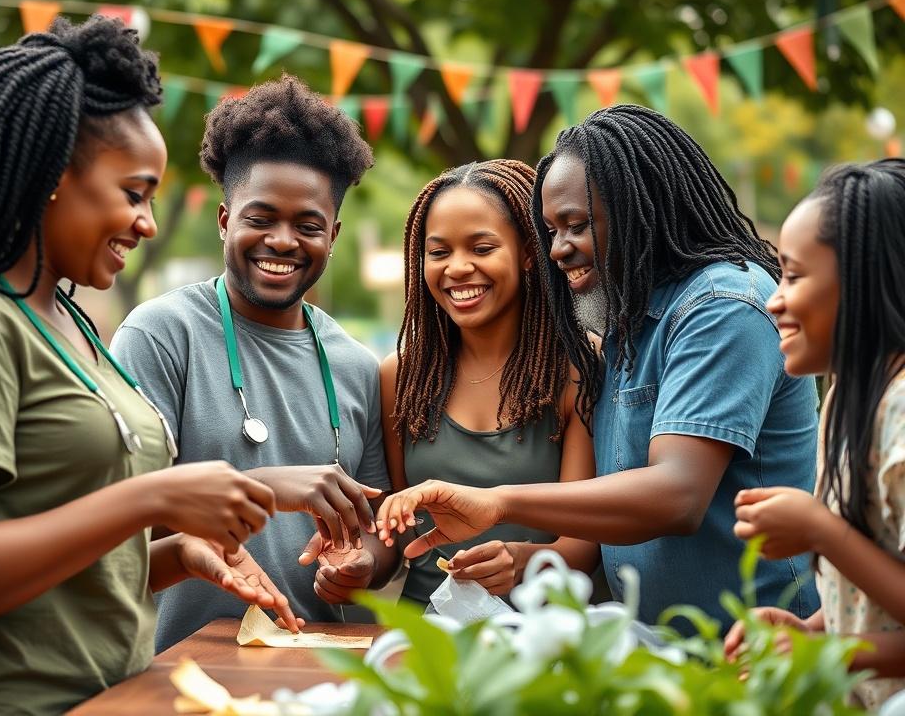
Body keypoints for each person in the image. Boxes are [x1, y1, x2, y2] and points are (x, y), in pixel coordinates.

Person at [0, 17, 287, 714]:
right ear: (48, 177)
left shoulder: (71, 322)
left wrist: (176, 553)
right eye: (134, 193)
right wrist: (153, 499)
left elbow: (63, 565)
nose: (149, 223)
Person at [377, 105, 820, 631]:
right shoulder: (627, 325)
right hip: (661, 648)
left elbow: (677, 495)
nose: (558, 250)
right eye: (550, 231)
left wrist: (497, 503)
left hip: (750, 649)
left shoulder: (724, 306)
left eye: (577, 225)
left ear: (640, 209)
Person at [111, 75, 397, 653]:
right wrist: (262, 491)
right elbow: (118, 521)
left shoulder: (356, 364)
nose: (284, 240)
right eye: (260, 218)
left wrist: (360, 566)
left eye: (308, 226)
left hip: (314, 673)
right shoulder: (162, 335)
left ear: (333, 236)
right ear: (224, 221)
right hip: (175, 670)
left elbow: (379, 532)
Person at [723, 159, 905, 710]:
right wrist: (813, 631)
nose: (775, 300)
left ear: (863, 282)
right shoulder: (850, 395)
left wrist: (821, 530)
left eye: (794, 276)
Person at [380, 159, 598, 603]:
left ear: (527, 252)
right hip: (427, 638)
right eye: (438, 252)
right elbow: (400, 533)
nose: (457, 268)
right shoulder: (400, 376)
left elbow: (585, 545)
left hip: (543, 637)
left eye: (481, 248)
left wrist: (520, 562)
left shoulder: (578, 366)